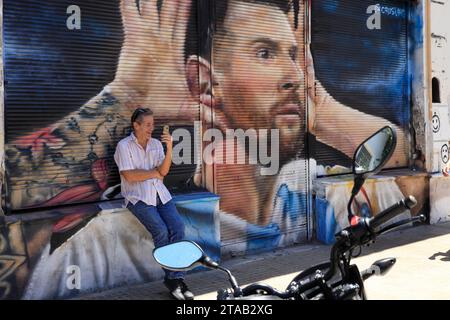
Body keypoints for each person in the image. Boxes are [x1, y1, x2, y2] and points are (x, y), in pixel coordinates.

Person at [114, 107, 194, 300]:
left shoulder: (157, 144)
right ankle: (175, 281)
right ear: (136, 125)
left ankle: (175, 279)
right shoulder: (124, 146)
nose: (152, 127)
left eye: (153, 124)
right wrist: (153, 173)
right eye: (148, 124)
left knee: (178, 227)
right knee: (161, 231)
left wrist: (169, 149)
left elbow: (164, 172)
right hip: (138, 198)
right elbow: (129, 176)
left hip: (160, 195)